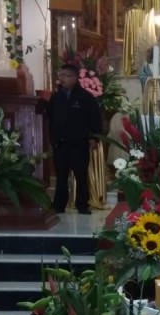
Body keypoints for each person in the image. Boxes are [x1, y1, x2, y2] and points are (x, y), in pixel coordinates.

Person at [48, 63, 102, 215]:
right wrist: (52, 140)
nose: (62, 79)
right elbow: (50, 119)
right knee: (61, 176)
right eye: (60, 76)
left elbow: (95, 119)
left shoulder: (86, 97)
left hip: (79, 143)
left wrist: (93, 138)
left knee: (80, 175)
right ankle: (59, 205)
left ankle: (82, 204)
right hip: (61, 143)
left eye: (65, 76)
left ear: (74, 77)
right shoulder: (56, 98)